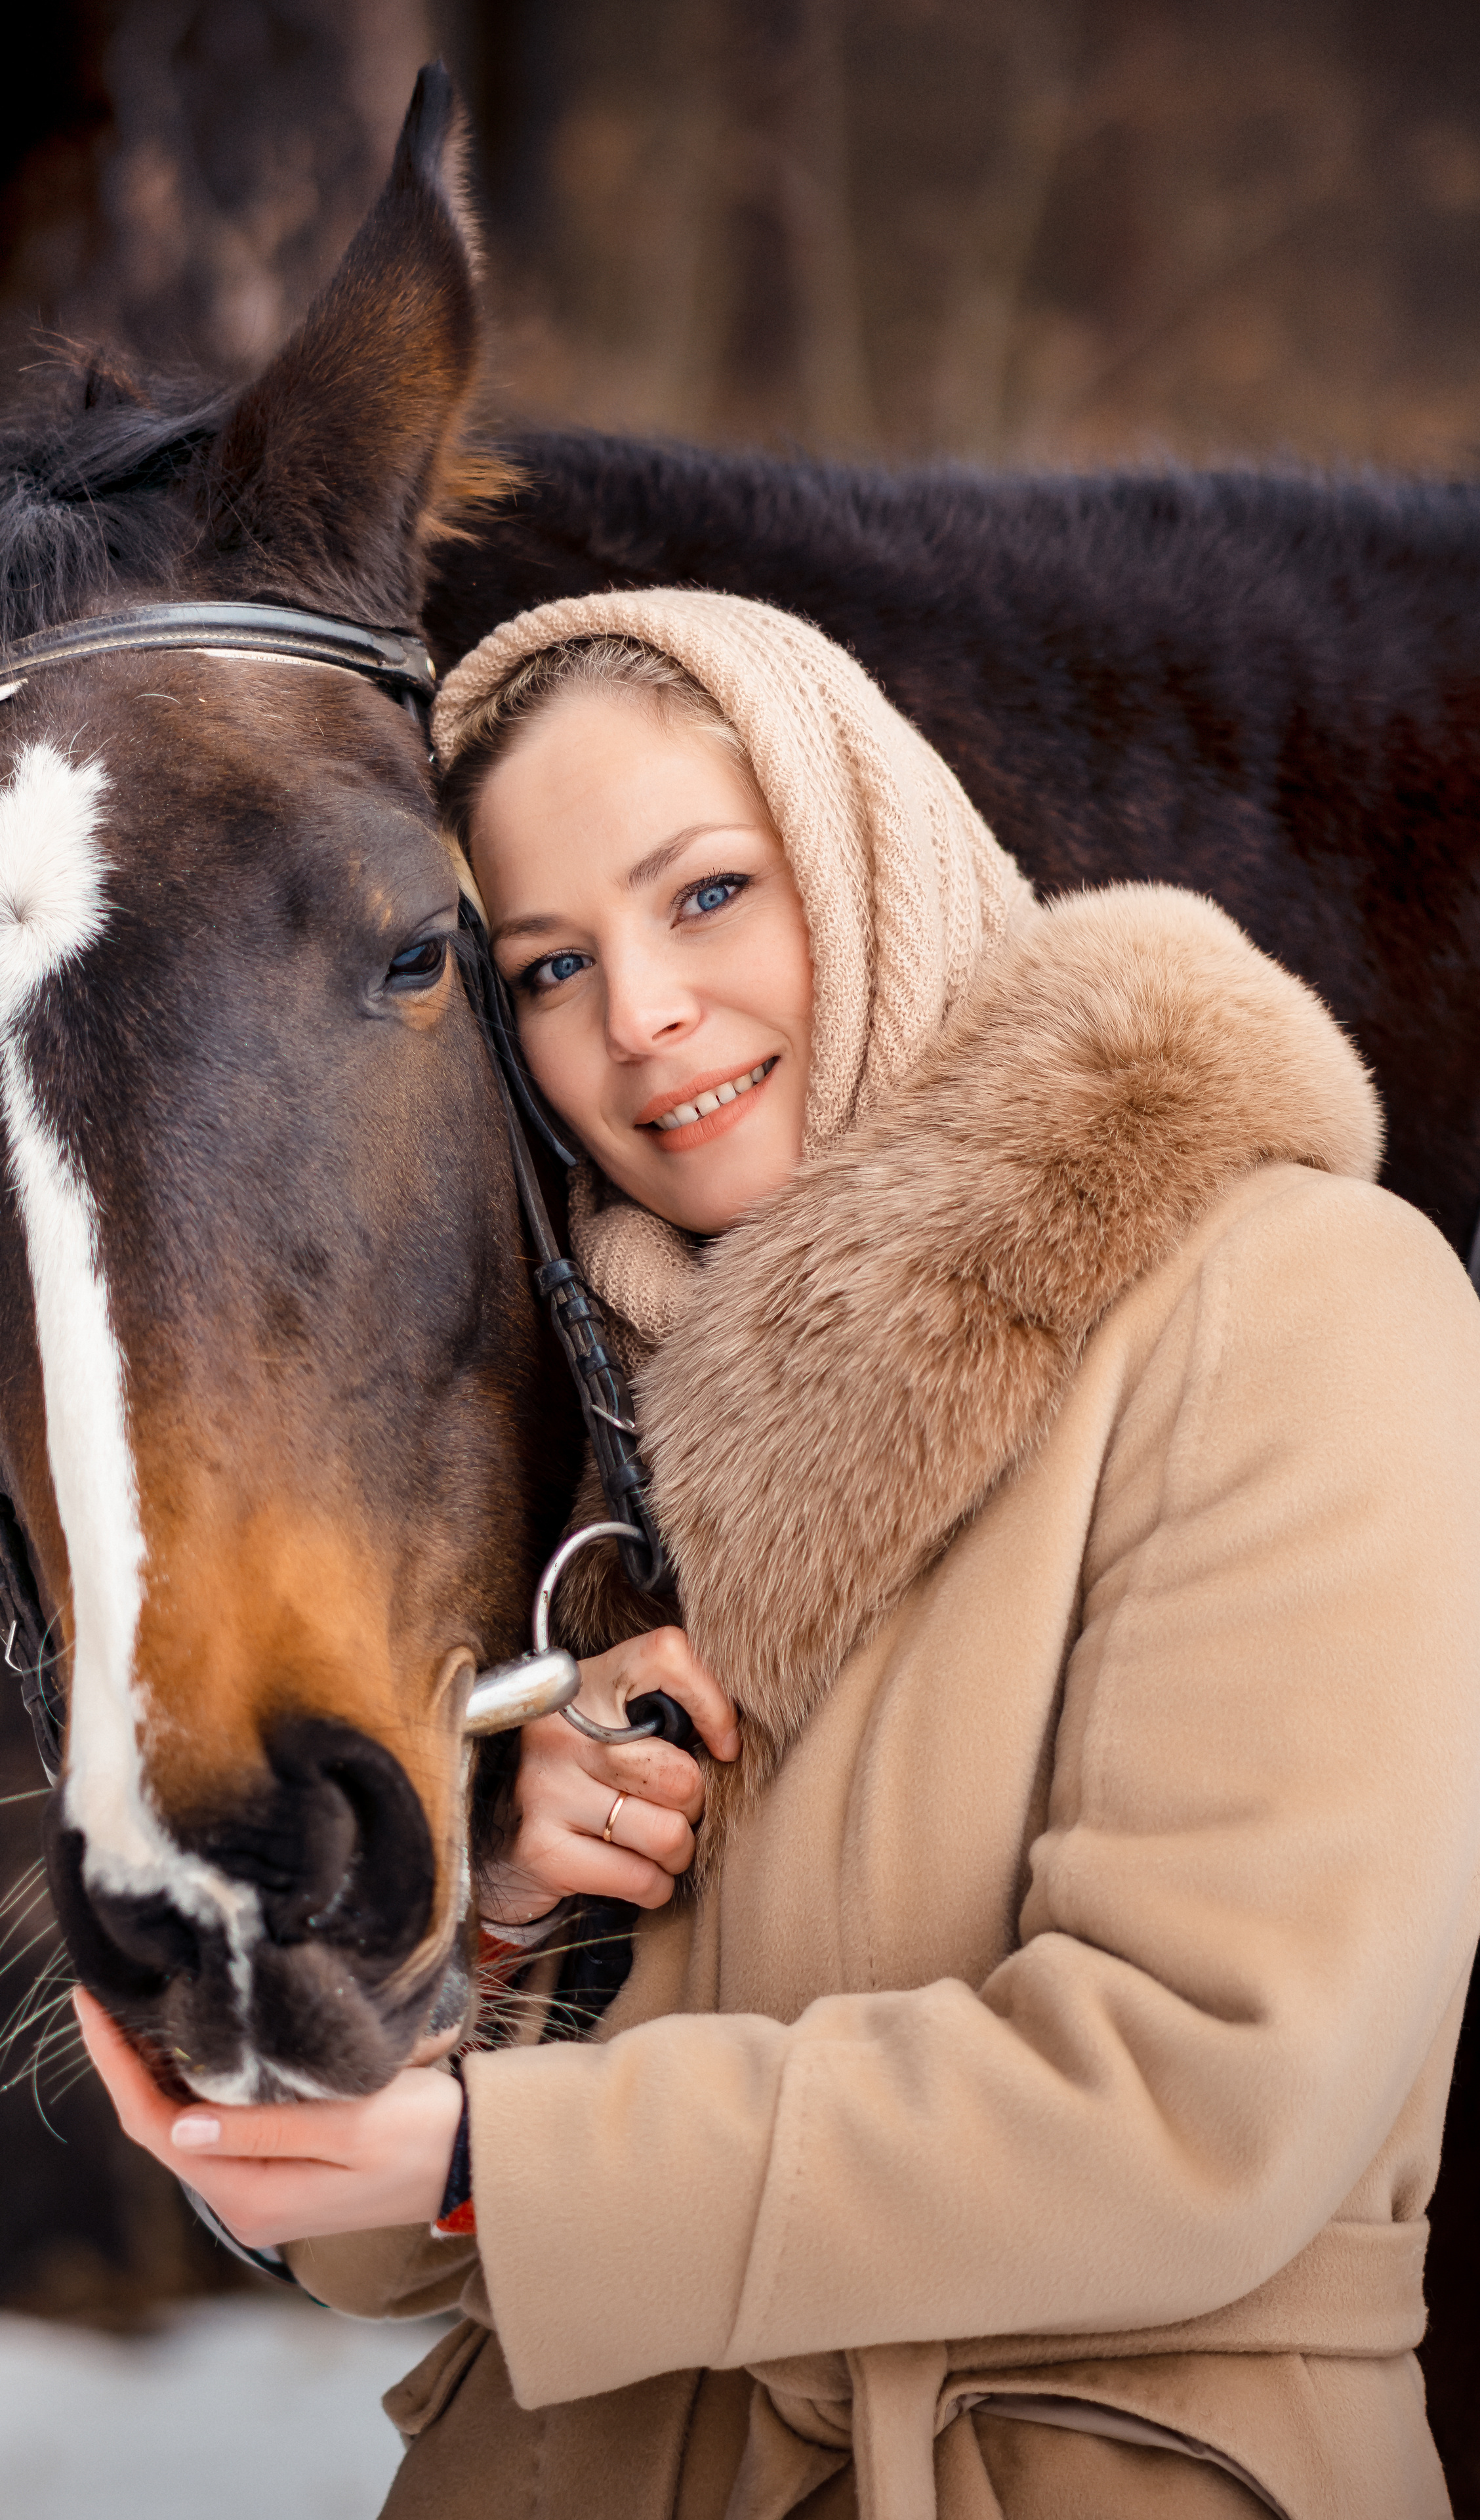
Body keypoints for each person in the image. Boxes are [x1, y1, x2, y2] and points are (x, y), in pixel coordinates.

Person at [80, 590, 1480, 2519]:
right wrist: (502, 1924)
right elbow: (389, 2255)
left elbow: (1208, 2098)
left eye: (711, 894)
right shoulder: (586, 1406)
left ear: (868, 852)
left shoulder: (1296, 1303)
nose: (640, 1017)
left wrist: (507, 2160)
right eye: (549, 967)